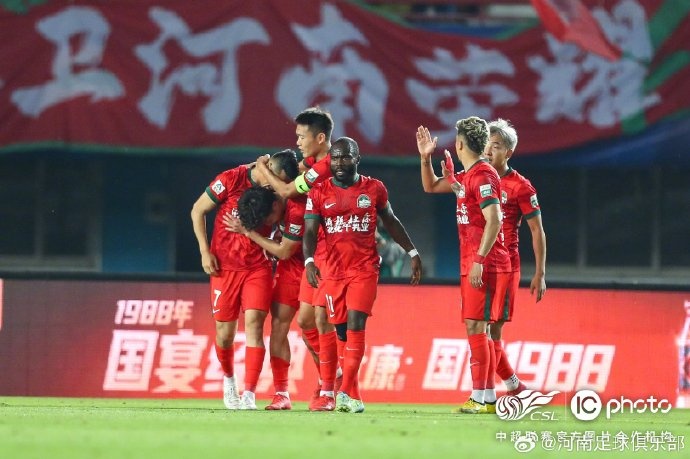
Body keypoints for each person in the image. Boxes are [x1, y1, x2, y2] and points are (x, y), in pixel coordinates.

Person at [304, 136, 423, 413]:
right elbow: (309, 231)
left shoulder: (374, 188)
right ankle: (353, 396)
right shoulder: (318, 192)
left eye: (346, 157)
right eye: (335, 158)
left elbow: (391, 221)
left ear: (357, 158)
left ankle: (344, 392)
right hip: (333, 271)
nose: (339, 163)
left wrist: (412, 252)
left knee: (356, 325)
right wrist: (309, 260)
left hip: (364, 269)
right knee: (341, 332)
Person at [190, 149, 298, 410]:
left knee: (254, 326)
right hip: (224, 268)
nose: (277, 187)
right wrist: (204, 251)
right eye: (275, 178)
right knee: (224, 334)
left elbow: (284, 223)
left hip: (257, 268)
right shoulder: (231, 179)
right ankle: (229, 380)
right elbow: (197, 210)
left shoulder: (279, 195)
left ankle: (249, 393)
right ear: (267, 167)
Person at [416, 117, 511, 414]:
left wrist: (480, 260)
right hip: (472, 261)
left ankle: (481, 397)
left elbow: (495, 220)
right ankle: (487, 397)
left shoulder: (483, 175)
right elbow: (431, 186)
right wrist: (425, 158)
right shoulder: (469, 176)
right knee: (478, 327)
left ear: (459, 144)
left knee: (477, 326)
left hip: (485, 262)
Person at [256, 107, 342, 411]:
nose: (298, 142)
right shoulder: (312, 163)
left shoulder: (326, 167)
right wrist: (264, 167)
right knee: (296, 323)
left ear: (320, 138)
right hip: (308, 258)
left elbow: (286, 187)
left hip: (327, 254)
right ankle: (293, 389)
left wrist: (263, 168)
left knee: (320, 321)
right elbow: (290, 168)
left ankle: (331, 384)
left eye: (302, 136)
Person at [224, 181, 310, 410]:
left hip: (316, 268)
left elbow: (284, 251)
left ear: (276, 205)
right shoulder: (269, 200)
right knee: (278, 327)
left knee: (313, 329)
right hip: (290, 269)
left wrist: (249, 233)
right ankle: (282, 393)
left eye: (268, 218)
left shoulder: (296, 208)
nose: (268, 223)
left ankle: (329, 387)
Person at [484, 118, 547, 400]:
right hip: (478, 263)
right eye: (486, 144)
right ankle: (513, 387)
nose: (488, 150)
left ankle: (489, 392)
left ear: (508, 152)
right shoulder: (477, 177)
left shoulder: (521, 187)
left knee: (492, 329)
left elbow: (537, 230)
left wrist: (540, 273)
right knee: (478, 328)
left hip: (505, 266)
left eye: (496, 146)